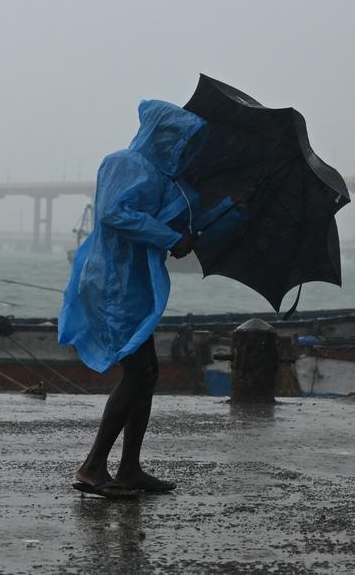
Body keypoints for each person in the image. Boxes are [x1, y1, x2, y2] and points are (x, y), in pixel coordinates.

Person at [60, 99, 219, 500]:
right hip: (112, 282)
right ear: (156, 133)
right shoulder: (124, 162)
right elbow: (115, 213)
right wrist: (169, 238)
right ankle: (93, 466)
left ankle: (128, 468)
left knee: (146, 374)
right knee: (138, 374)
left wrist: (233, 205)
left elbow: (174, 221)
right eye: (174, 136)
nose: (179, 145)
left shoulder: (166, 179)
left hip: (132, 284)